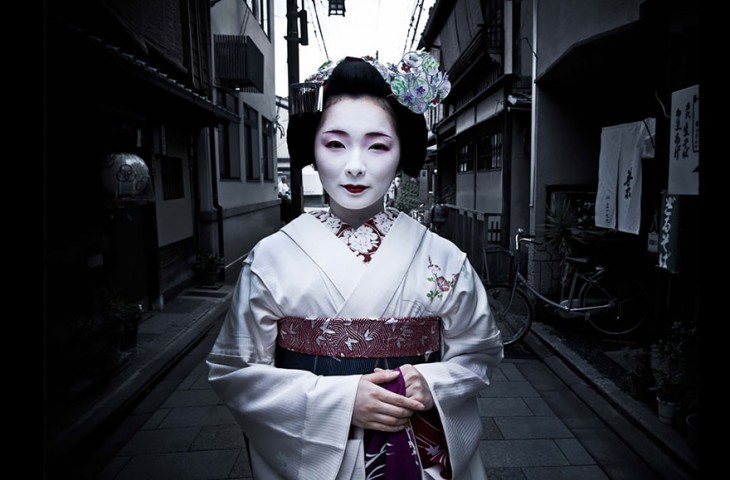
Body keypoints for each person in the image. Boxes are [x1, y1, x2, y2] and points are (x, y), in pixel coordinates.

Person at [207, 52, 504, 480]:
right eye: (335, 143)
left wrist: (432, 382)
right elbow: (234, 369)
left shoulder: (444, 258)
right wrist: (342, 401)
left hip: (416, 448)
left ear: (403, 152)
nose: (355, 166)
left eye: (378, 145)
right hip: (319, 453)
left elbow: (479, 351)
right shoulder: (271, 257)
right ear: (312, 147)